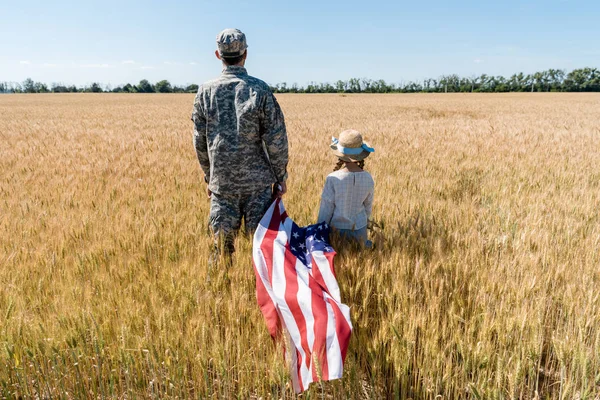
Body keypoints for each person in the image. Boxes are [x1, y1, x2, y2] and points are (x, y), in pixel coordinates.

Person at [192, 28, 288, 266]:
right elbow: (276, 139)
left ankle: (218, 296)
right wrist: (281, 176)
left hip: (222, 186)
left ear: (218, 55)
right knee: (264, 251)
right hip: (259, 185)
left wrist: (209, 177)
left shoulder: (205, 92)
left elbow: (200, 142)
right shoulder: (260, 89)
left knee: (222, 252)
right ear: (245, 54)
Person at [317, 129, 374, 248]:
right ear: (361, 155)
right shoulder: (368, 178)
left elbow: (326, 209)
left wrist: (319, 231)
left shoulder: (333, 178)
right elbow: (368, 207)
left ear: (341, 156)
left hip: (337, 231)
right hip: (360, 231)